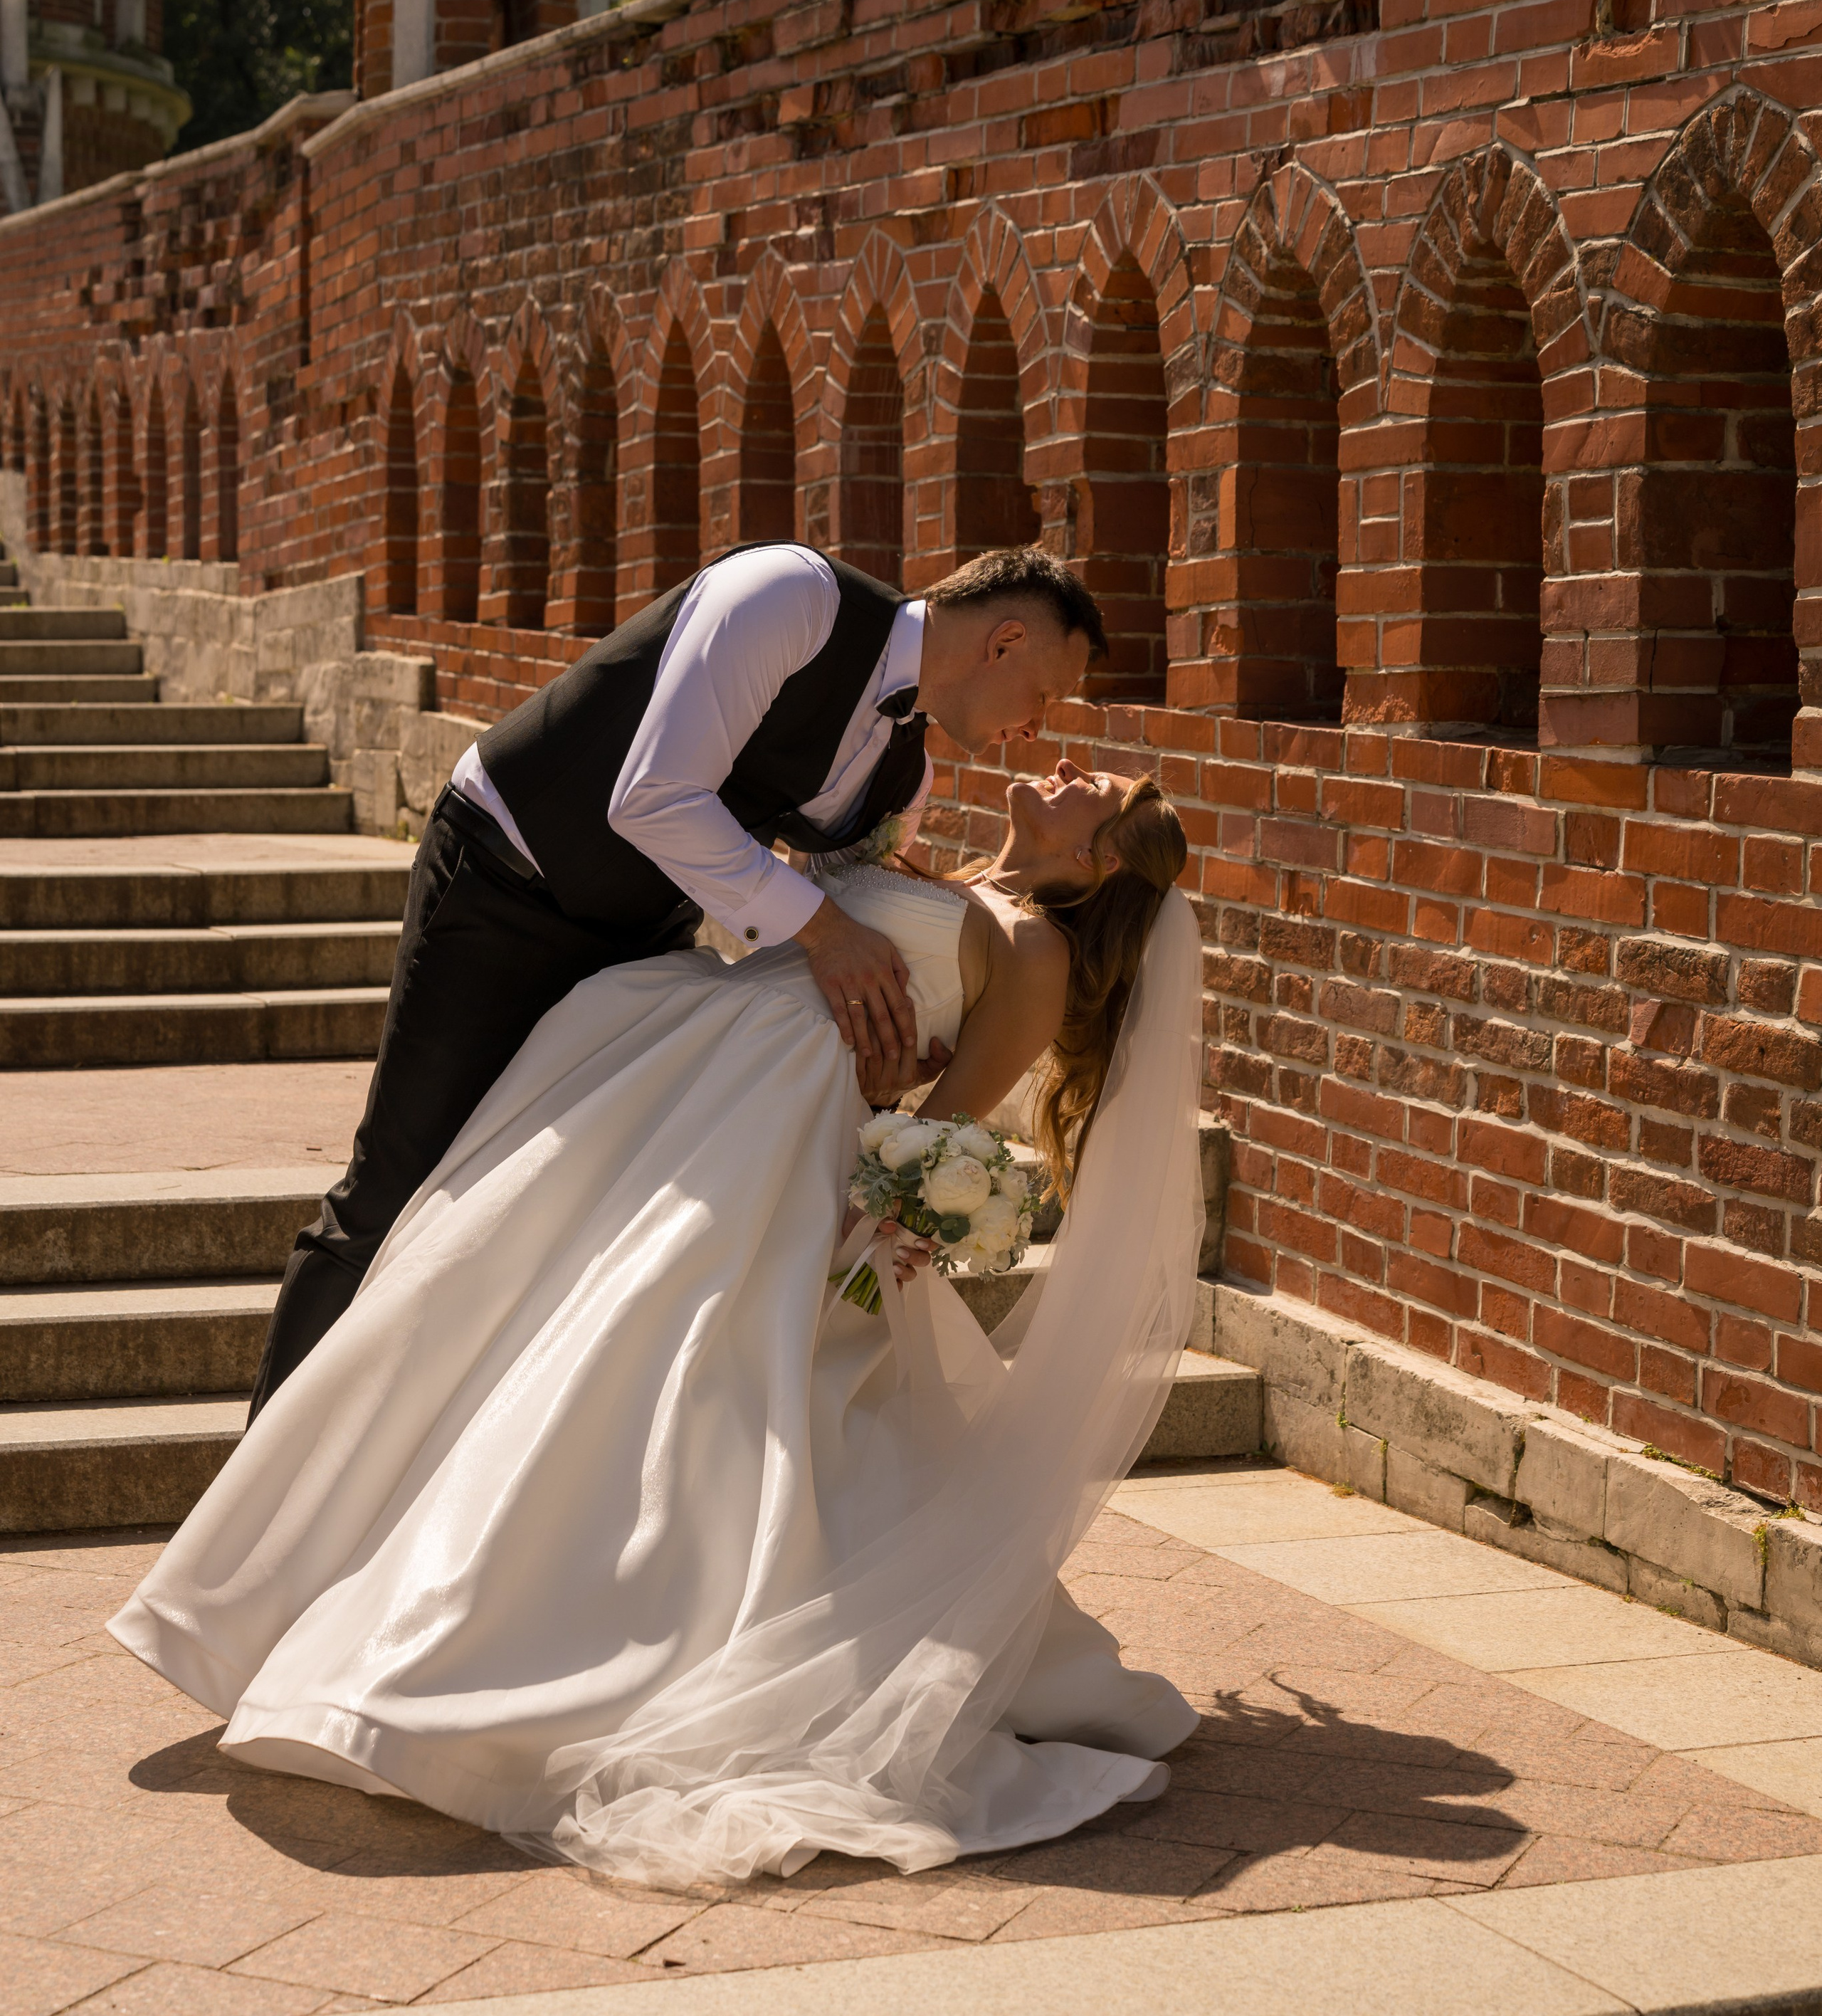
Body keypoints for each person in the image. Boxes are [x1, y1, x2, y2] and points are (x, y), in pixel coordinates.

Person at [111, 760, 1205, 1889]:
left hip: (773, 1131)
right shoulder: (960, 870)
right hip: (691, 1070)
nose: (1073, 765)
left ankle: (558, 1641)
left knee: (670, 1369)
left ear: (1105, 856)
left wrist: (866, 1185)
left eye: (1101, 786)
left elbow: (947, 1122)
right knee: (510, 1305)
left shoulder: (1035, 946)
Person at [250, 542, 1105, 1414]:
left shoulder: (902, 778)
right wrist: (827, 934)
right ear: (1001, 643)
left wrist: (877, 1060)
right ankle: (263, 1493)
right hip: (507, 878)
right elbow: (653, 796)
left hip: (646, 944)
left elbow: (848, 913)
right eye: (1046, 694)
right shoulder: (788, 599)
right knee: (395, 1186)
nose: (1039, 727)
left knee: (551, 1211)